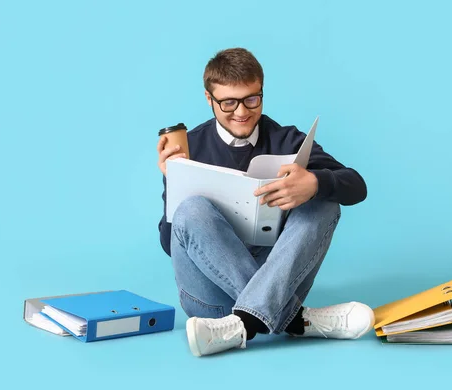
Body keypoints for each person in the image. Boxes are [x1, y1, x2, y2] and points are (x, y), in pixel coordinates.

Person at [156, 47, 374, 357]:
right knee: (191, 209)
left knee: (323, 202)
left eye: (251, 99)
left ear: (261, 92)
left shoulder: (287, 140)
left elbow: (357, 186)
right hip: (210, 302)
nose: (241, 112)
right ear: (209, 99)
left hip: (279, 281)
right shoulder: (190, 147)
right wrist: (173, 178)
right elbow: (170, 244)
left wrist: (314, 183)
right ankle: (296, 320)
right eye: (228, 102)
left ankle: (244, 323)